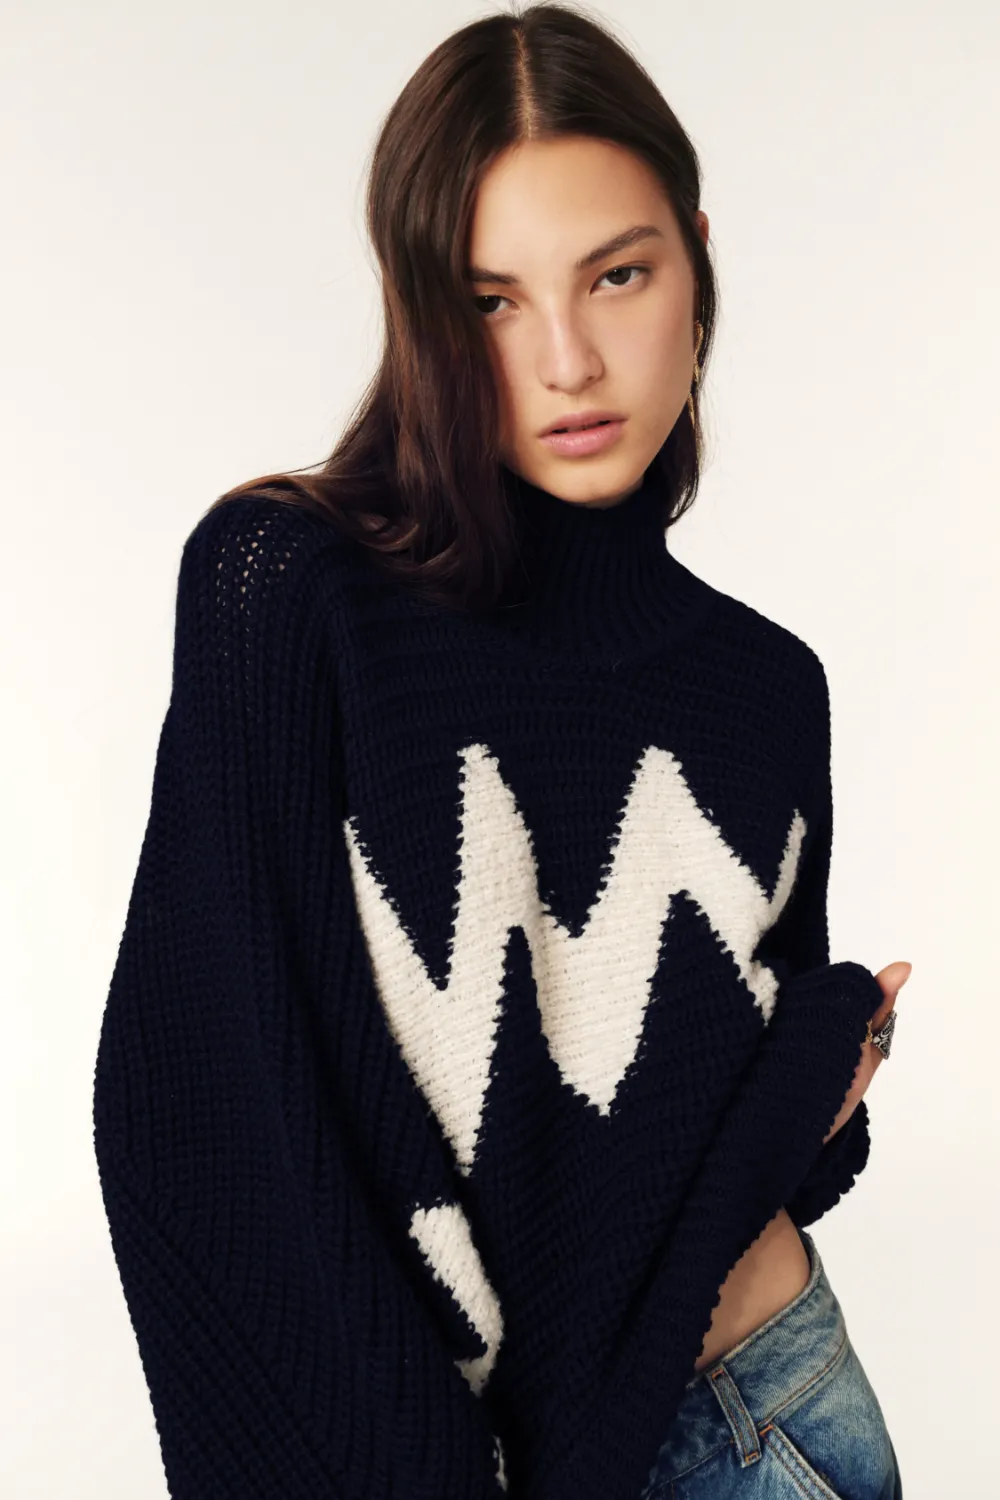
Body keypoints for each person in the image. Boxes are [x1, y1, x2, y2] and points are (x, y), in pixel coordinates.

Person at [92, 5, 908, 1499]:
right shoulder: (291, 592)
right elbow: (201, 1139)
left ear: (697, 263)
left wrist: (820, 1076)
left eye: (617, 274)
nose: (569, 359)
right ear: (420, 313)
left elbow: (679, 1159)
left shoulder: (768, 689)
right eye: (492, 300)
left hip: (779, 1419)